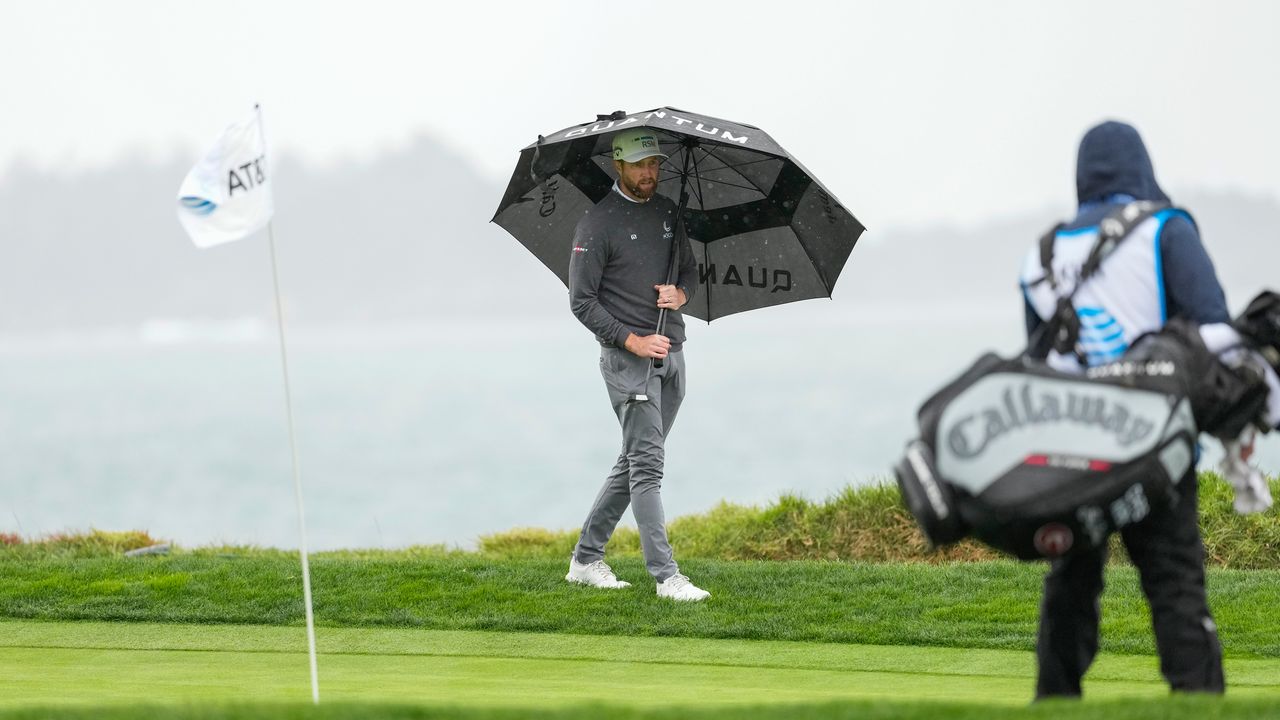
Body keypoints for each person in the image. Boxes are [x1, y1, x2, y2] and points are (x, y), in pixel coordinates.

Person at [1018, 120, 1228, 697]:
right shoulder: (1166, 230)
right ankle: (1198, 703)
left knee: (1070, 585)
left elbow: (1039, 366)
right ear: (1142, 168)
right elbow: (1215, 335)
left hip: (1070, 453)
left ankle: (1054, 703)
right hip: (1155, 444)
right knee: (1175, 587)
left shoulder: (1039, 254)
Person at [563, 128, 710, 602]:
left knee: (633, 460)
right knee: (648, 467)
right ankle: (667, 577)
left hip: (674, 353)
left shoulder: (669, 211)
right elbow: (581, 302)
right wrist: (633, 340)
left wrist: (680, 293)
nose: (650, 173)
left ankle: (586, 558)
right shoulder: (597, 224)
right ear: (619, 166)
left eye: (655, 165)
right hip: (629, 363)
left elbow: (688, 270)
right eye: (640, 165)